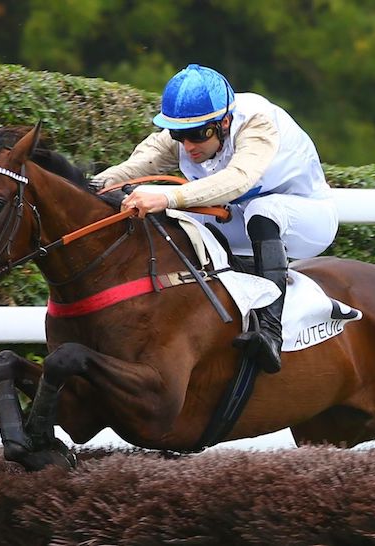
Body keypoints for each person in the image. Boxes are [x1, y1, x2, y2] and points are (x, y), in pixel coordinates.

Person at [91, 64, 338, 373]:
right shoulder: (188, 133)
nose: (188, 146)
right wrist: (87, 187)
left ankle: (270, 333)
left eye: (198, 135)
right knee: (178, 221)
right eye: (179, 136)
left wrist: (165, 197)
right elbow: (137, 166)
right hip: (240, 221)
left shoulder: (257, 122)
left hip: (308, 219)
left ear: (224, 122)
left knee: (262, 210)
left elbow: (238, 180)